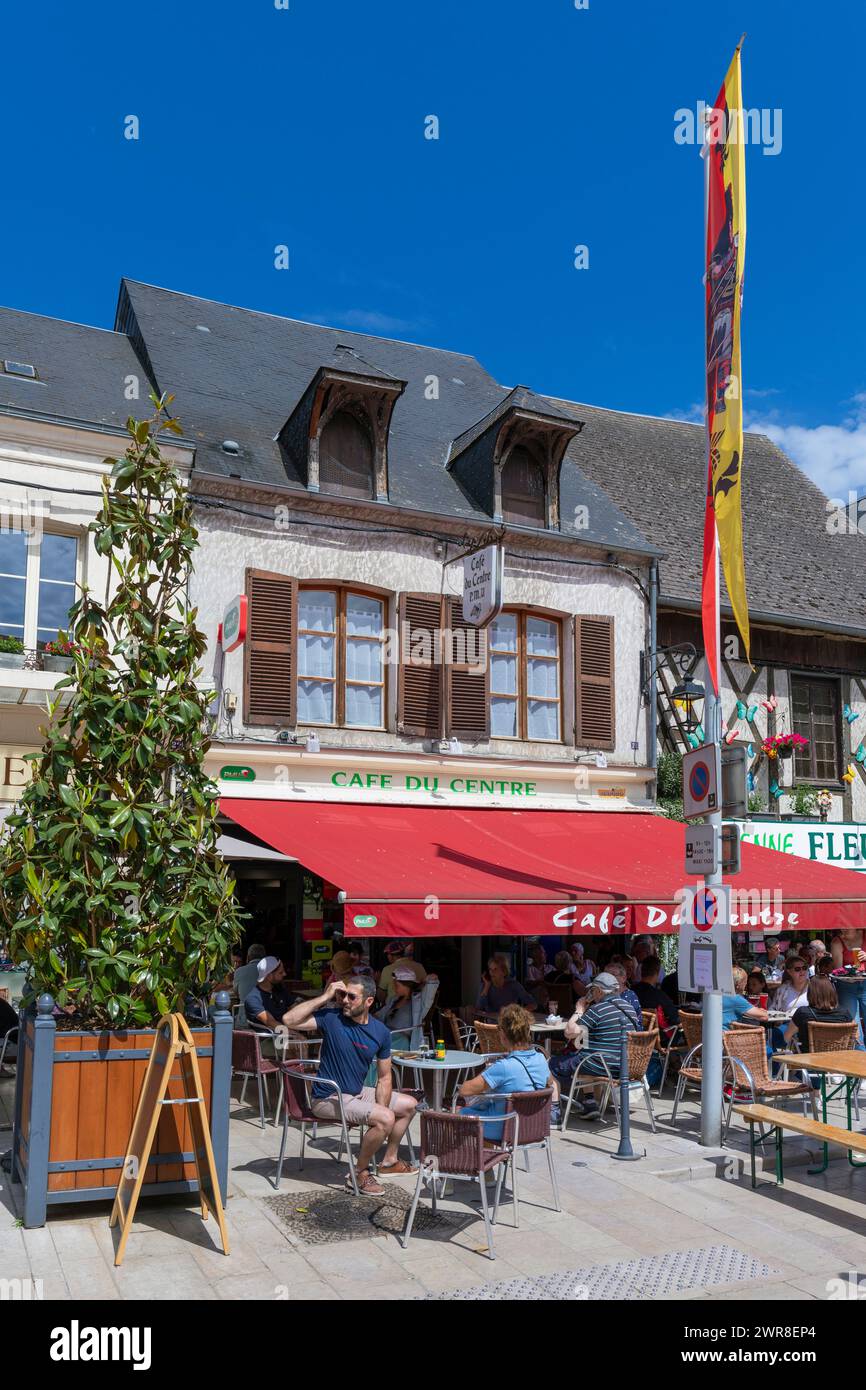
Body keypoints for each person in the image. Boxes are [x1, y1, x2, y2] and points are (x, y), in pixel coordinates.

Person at [283, 975, 418, 1196]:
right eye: (343, 994)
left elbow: (384, 1078)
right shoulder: (331, 1018)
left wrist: (382, 1107)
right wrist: (325, 996)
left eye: (352, 997)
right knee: (385, 1119)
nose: (345, 1000)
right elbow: (289, 1020)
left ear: (369, 1001)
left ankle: (389, 1161)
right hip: (328, 1096)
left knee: (409, 1105)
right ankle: (359, 1172)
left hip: (355, 1093)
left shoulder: (380, 1032)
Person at [457, 1004, 554, 1140]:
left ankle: (476, 1160)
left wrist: (489, 1070)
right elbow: (549, 1082)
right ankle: (491, 1159)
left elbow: (465, 1090)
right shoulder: (541, 1059)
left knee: (459, 1114)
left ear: (503, 1034)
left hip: (504, 1130)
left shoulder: (503, 1067)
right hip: (532, 1128)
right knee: (483, 1109)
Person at [550, 972, 637, 1118]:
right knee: (585, 1051)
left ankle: (554, 1115)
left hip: (602, 1065)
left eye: (592, 990)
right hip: (626, 1066)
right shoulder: (629, 1008)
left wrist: (579, 1009)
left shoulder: (597, 1010)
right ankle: (590, 1104)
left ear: (599, 991)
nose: (591, 994)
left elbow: (569, 1032)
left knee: (551, 1065)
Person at [783, 976, 850, 1054]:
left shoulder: (803, 1013)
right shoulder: (844, 1013)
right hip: (837, 1059)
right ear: (832, 992)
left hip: (809, 1059)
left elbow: (786, 1038)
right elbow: (855, 1036)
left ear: (811, 992)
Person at [376, 967, 437, 1044]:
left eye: (396, 985)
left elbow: (433, 979)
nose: (394, 987)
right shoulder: (394, 999)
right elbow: (380, 1015)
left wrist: (422, 982)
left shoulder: (419, 1002)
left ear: (406, 985)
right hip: (387, 1034)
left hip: (402, 1040)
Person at [244, 956, 297, 1028]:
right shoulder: (253, 998)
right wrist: (295, 1034)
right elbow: (271, 1023)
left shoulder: (280, 989)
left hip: (287, 1034)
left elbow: (295, 1008)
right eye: (280, 972)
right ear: (269, 976)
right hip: (269, 1037)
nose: (285, 974)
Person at [634, 956, 679, 1030]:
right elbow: (675, 1018)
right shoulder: (659, 996)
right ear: (657, 972)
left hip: (634, 1036)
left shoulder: (630, 992)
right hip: (657, 1037)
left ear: (641, 971)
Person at [607, 961, 642, 1028]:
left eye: (613, 975)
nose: (607, 978)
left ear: (623, 978)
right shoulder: (604, 995)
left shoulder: (630, 996)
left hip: (628, 1034)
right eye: (605, 975)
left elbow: (630, 1023)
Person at [232, 943, 266, 1008]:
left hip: (244, 1015)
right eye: (235, 962)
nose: (236, 964)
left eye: (239, 962)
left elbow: (237, 993)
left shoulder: (239, 971)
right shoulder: (270, 971)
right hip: (267, 1014)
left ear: (247, 957)